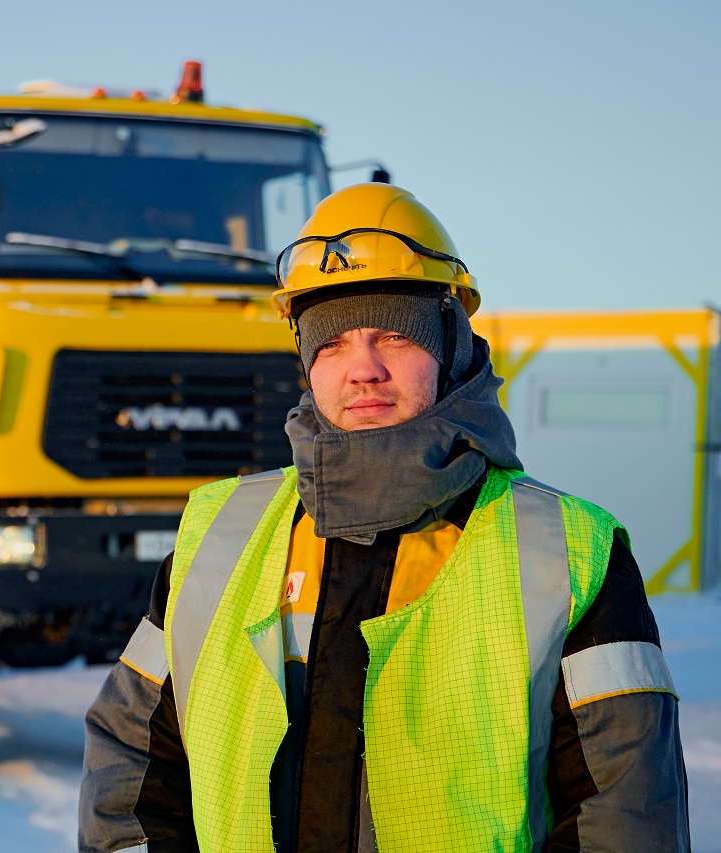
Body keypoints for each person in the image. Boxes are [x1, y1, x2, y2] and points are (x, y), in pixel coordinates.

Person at [78, 183, 689, 852]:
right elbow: (131, 766)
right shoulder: (220, 531)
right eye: (331, 343)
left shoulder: (569, 552)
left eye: (394, 334)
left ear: (451, 344)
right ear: (306, 363)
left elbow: (624, 816)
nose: (362, 368)